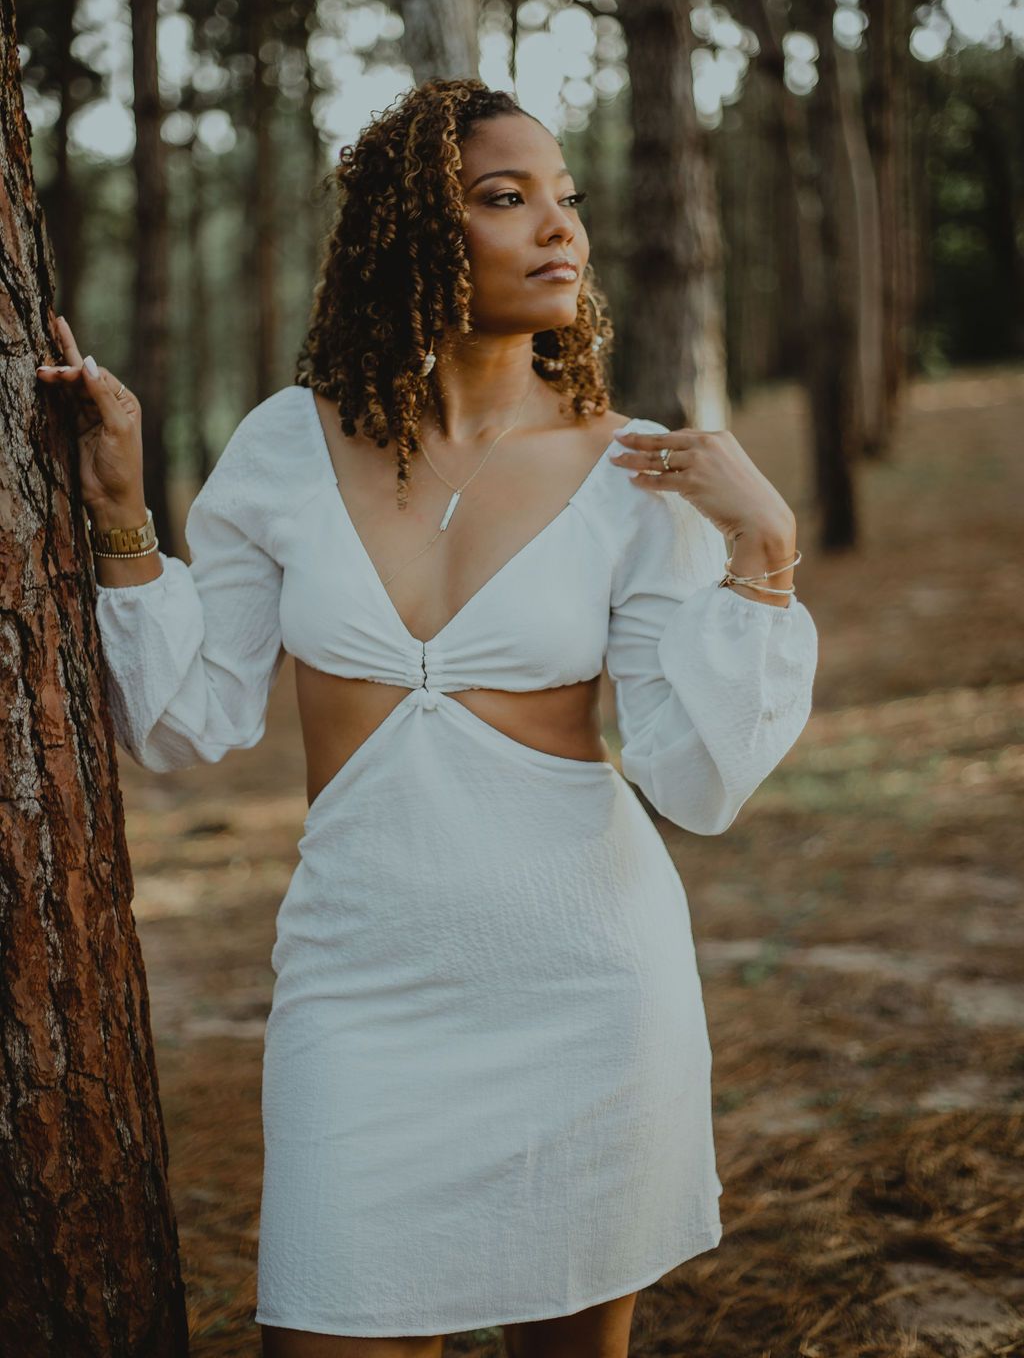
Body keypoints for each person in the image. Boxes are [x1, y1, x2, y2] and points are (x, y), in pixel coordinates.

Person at [37, 77, 818, 1358]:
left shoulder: (637, 472)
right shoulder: (285, 446)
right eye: (506, 200)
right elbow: (191, 718)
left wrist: (764, 550)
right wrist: (121, 511)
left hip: (586, 981)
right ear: (413, 235)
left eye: (563, 199)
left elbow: (699, 780)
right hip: (364, 987)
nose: (558, 228)